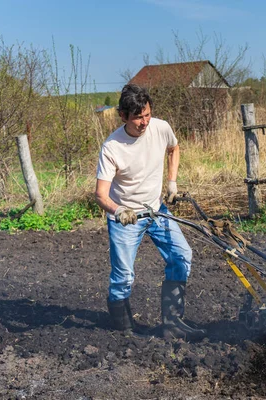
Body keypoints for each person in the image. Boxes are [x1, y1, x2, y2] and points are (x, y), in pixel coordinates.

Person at [95, 83, 205, 340]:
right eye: (137, 118)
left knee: (182, 255)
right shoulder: (112, 147)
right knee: (123, 277)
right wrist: (119, 209)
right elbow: (100, 195)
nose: (144, 123)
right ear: (123, 116)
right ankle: (123, 333)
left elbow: (174, 148)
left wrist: (172, 182)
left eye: (147, 115)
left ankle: (173, 323)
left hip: (156, 210)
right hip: (126, 218)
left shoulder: (161, 127)